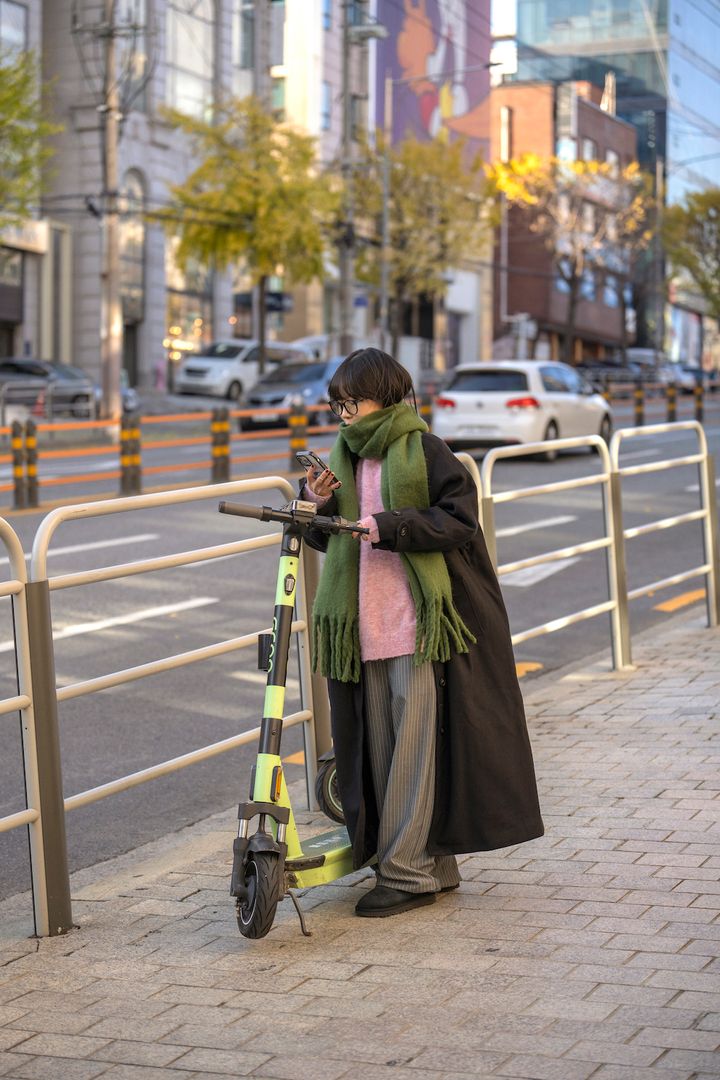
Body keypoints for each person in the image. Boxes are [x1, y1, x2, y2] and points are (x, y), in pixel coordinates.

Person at [301, 347, 543, 918]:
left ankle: (406, 874)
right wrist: (317, 502)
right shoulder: (344, 457)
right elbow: (327, 538)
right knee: (382, 756)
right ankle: (434, 866)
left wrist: (389, 526)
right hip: (363, 630)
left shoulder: (426, 450)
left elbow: (460, 521)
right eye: (337, 406)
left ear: (384, 396)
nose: (343, 415)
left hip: (419, 627)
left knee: (411, 757)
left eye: (352, 403)